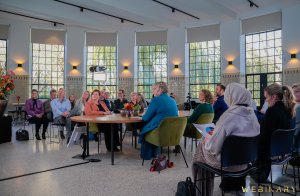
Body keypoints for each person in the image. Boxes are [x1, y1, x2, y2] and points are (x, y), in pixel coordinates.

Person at [193, 83, 260, 195]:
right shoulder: (252, 115)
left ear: (231, 97)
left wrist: (207, 139)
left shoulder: (228, 116)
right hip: (246, 162)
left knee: (201, 147)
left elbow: (213, 148)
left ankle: (203, 189)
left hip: (228, 164)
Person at [252, 83, 296, 183]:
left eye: (266, 97)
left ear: (274, 97)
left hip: (271, 154)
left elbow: (265, 137)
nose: (266, 100)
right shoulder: (288, 110)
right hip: (285, 152)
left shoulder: (272, 111)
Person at [139, 82, 178, 160]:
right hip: (172, 132)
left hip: (160, 131)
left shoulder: (156, 99)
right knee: (153, 126)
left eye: (154, 89)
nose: (152, 91)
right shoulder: (172, 100)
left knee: (146, 129)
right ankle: (155, 153)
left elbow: (146, 118)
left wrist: (143, 116)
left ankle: (147, 155)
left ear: (160, 90)